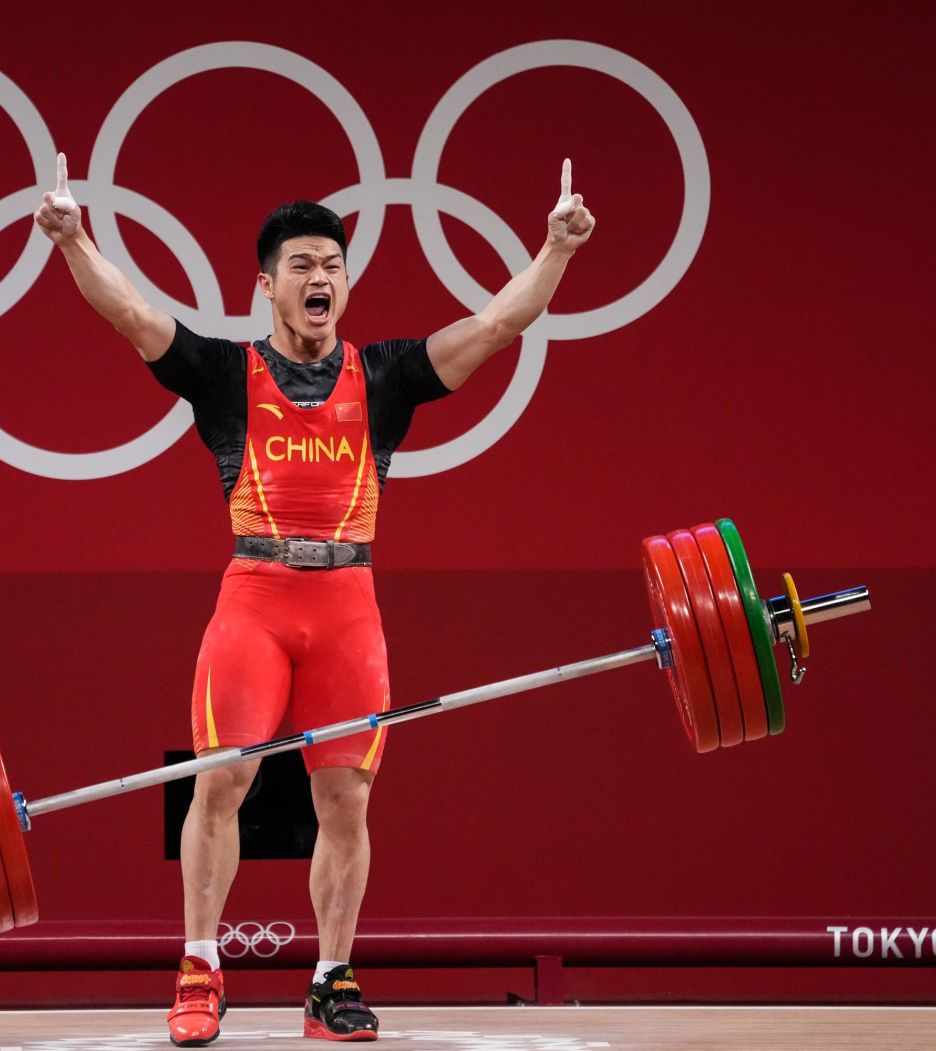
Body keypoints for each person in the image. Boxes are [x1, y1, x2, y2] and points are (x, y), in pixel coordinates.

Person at [34, 154, 594, 1046]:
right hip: (254, 597)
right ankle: (200, 965)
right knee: (219, 784)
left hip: (348, 605)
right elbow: (133, 313)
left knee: (346, 803)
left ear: (347, 281)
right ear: (266, 286)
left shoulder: (386, 379)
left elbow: (492, 325)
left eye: (332, 264)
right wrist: (72, 239)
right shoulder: (223, 375)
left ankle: (331, 979)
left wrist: (555, 253)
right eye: (300, 265)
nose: (319, 277)